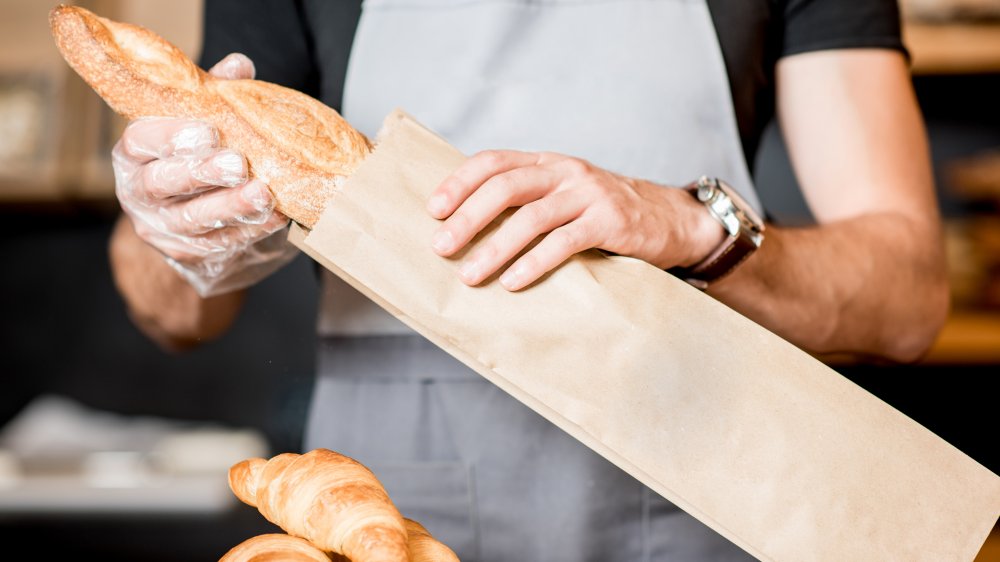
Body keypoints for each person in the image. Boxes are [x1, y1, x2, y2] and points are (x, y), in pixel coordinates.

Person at [108, 0, 949, 560]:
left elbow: (908, 299)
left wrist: (697, 226)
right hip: (389, 511)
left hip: (711, 500)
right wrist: (189, 235)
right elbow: (171, 308)